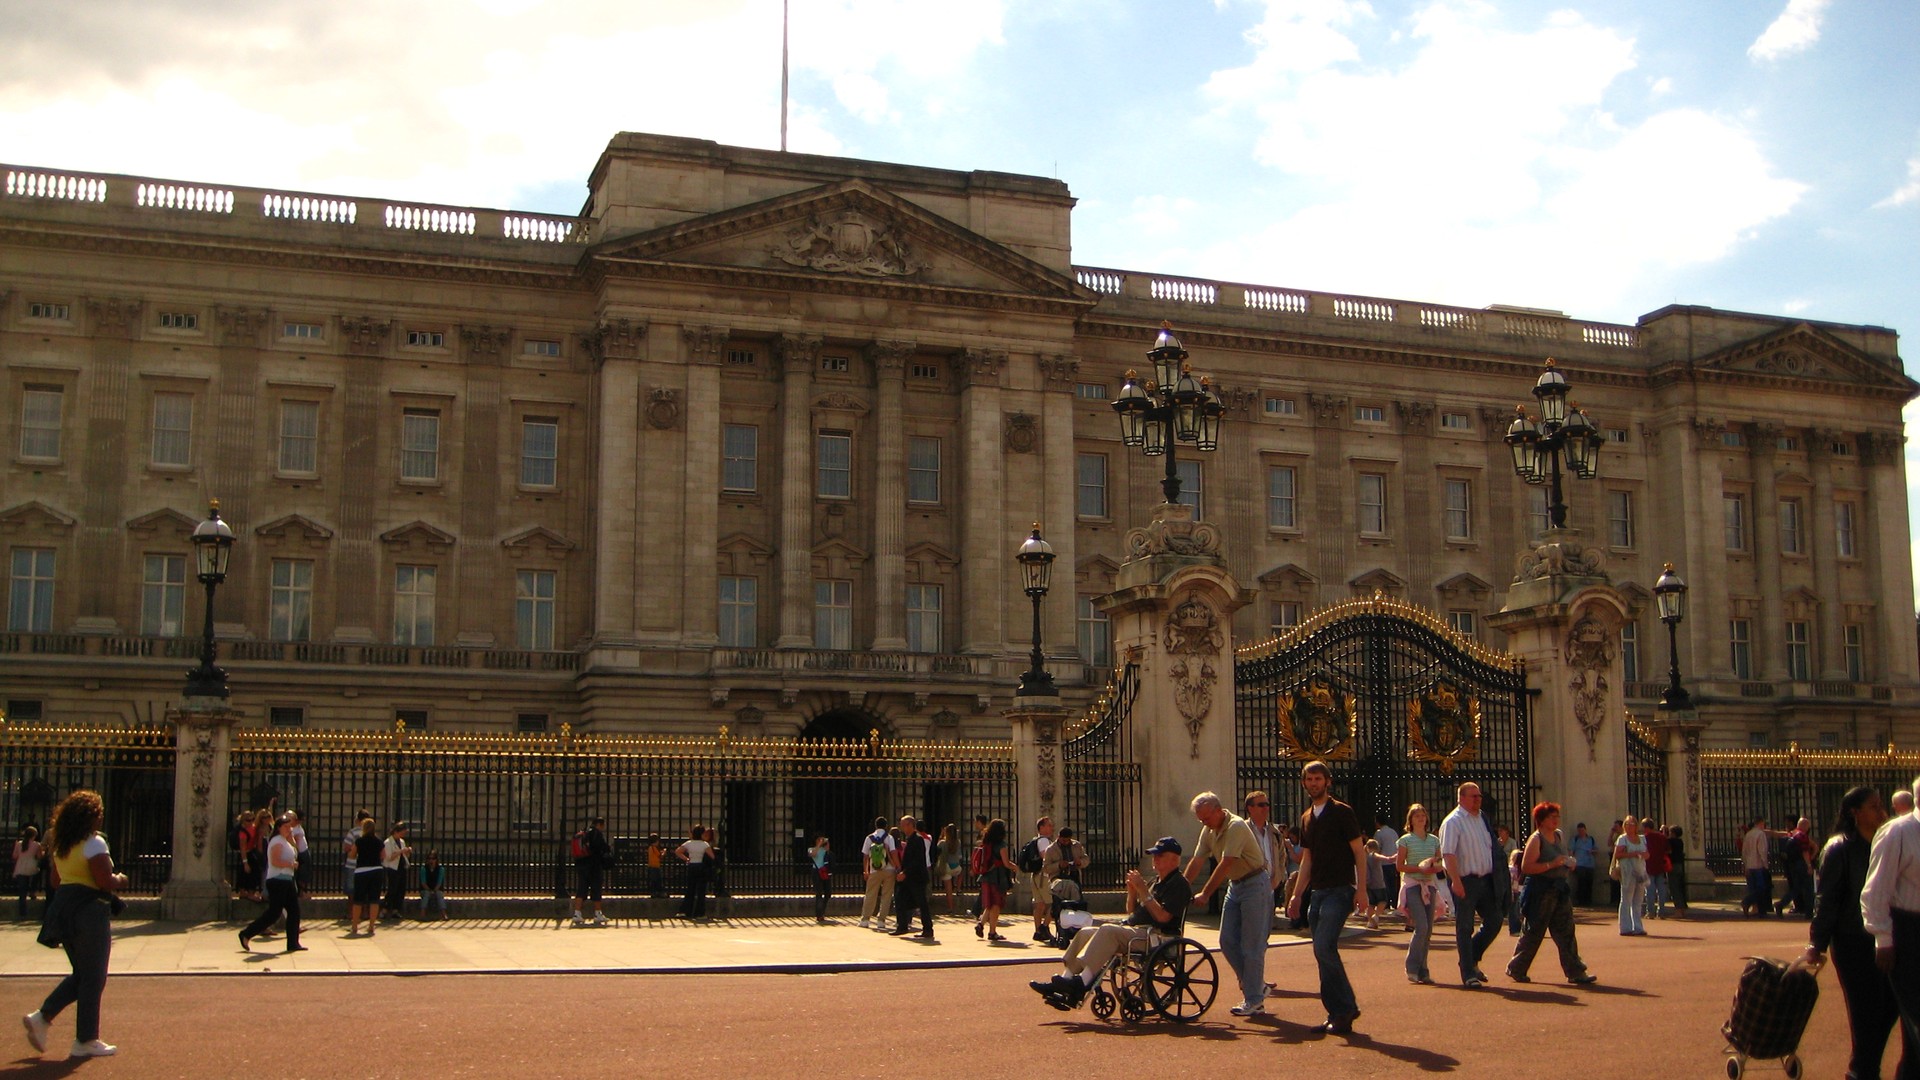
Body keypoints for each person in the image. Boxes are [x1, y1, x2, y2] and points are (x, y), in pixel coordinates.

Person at [1803, 785, 1913, 1080]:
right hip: (1853, 942)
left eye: (1881, 806)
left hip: (1885, 940)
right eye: (1874, 807)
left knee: (1892, 1009)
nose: (1882, 812)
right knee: (1865, 1014)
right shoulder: (1839, 848)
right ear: (1855, 814)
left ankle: (1864, 1069)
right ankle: (1861, 1071)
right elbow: (1826, 900)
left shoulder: (1884, 840)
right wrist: (1817, 943)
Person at [22, 789, 126, 1059]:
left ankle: (42, 1017)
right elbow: (105, 882)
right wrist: (120, 879)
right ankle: (86, 1039)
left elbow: (55, 882)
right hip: (90, 911)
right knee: (94, 977)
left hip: (64, 908)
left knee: (82, 974)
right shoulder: (95, 844)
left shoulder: (62, 845)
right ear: (92, 817)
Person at [1029, 837, 1191, 1009]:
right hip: (1137, 930)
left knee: (1108, 930)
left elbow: (1163, 917)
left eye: (1160, 855)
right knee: (1086, 932)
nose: (1155, 859)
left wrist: (1143, 891)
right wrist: (1133, 892)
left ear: (1174, 859)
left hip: (1157, 936)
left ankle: (1082, 982)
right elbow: (1132, 911)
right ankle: (1066, 979)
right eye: (1154, 855)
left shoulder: (1179, 884)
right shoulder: (1156, 882)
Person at [1284, 761, 1367, 1034]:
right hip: (1317, 893)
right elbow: (1307, 859)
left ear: (1328, 781)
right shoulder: (1307, 817)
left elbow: (1358, 852)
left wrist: (1362, 889)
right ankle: (1336, 1013)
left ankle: (1345, 1007)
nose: (1314, 783)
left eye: (1318, 778)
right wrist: (1297, 896)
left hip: (1340, 889)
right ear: (1304, 783)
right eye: (1309, 779)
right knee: (1322, 952)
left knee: (1323, 947)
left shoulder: (1342, 812)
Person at [1185, 791, 1271, 1017]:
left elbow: (1225, 863)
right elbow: (1197, 860)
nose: (1203, 823)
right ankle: (1257, 986)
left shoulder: (1236, 826)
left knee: (1251, 946)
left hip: (1255, 884)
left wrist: (1205, 893)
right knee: (1226, 940)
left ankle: (1254, 1001)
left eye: (1206, 818)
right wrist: (1181, 887)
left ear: (1218, 810)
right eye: (1200, 819)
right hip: (1236, 886)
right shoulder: (1209, 830)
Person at [1862, 777, 1920, 1075]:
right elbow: (1877, 890)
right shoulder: (1898, 831)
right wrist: (1883, 939)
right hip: (1907, 931)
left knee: (1914, 1042)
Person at [1505, 801, 1595, 985]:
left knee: (1566, 930)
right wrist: (1551, 864)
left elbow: (1562, 858)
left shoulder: (1559, 836)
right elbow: (1526, 867)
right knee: (1534, 931)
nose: (1556, 820)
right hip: (1540, 890)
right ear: (1542, 820)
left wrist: (1569, 863)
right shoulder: (1536, 839)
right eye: (1551, 817)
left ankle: (1576, 971)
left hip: (1559, 888)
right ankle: (1517, 967)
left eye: (1557, 816)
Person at [1439, 781, 1502, 988]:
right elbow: (1448, 853)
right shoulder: (1453, 822)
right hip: (1465, 879)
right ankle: (1468, 973)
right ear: (1462, 798)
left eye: (1479, 796)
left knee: (1495, 921)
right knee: (1464, 927)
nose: (1478, 800)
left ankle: (1471, 957)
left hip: (1485, 880)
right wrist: (1455, 880)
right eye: (1473, 796)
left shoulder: (1482, 818)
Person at [239, 812, 307, 954]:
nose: (289, 829)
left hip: (287, 880)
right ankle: (246, 933)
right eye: (286, 826)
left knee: (294, 911)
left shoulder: (284, 840)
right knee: (274, 913)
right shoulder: (276, 841)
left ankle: (293, 942)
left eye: (290, 826)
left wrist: (290, 838)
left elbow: (296, 850)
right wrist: (290, 864)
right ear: (279, 828)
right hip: (277, 880)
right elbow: (275, 861)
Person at [1395, 803, 1442, 984]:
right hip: (1413, 885)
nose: (1420, 818)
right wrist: (1420, 868)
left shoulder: (1434, 840)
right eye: (1416, 816)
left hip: (1429, 886)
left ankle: (1423, 969)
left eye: (1423, 815)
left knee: (1428, 929)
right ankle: (1412, 967)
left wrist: (1433, 867)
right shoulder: (1405, 840)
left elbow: (1438, 864)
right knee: (1421, 926)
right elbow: (1400, 865)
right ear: (1411, 820)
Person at [890, 815, 935, 940]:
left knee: (922, 903)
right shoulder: (910, 839)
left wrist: (905, 872)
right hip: (909, 878)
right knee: (900, 899)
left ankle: (927, 929)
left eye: (904, 825)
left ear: (910, 825)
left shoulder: (918, 839)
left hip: (916, 878)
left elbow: (917, 861)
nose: (902, 827)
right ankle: (902, 926)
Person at [975, 818, 1014, 941]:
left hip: (986, 876)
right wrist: (1016, 868)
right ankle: (992, 932)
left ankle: (981, 924)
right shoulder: (1001, 845)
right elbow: (1006, 863)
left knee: (989, 904)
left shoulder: (986, 842)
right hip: (998, 877)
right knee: (996, 905)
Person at [570, 816, 611, 927]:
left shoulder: (585, 833)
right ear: (600, 825)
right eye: (603, 825)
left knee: (581, 889)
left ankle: (577, 913)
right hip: (593, 865)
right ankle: (597, 913)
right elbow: (600, 848)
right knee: (596, 889)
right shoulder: (596, 834)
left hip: (581, 865)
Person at [857, 817, 896, 930]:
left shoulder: (869, 838)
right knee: (886, 895)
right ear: (886, 826)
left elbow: (865, 856)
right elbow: (893, 852)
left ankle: (865, 919)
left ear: (875, 825)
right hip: (889, 869)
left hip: (874, 870)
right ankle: (881, 920)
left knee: (870, 894)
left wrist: (866, 870)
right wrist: (897, 866)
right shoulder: (889, 838)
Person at [349, 817, 385, 936]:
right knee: (374, 899)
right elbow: (383, 856)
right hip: (376, 870)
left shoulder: (359, 841)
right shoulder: (379, 841)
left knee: (358, 899)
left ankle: (354, 926)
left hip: (361, 871)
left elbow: (352, 855)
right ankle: (371, 926)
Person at [1023, 816, 1057, 943]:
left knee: (1039, 904)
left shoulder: (1036, 840)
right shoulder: (1044, 841)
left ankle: (1038, 931)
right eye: (1049, 825)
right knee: (1054, 903)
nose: (1052, 827)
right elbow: (1045, 857)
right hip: (1044, 876)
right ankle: (1044, 927)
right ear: (1041, 827)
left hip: (1036, 875)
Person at [1614, 815, 1649, 936]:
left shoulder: (1642, 838)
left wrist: (1644, 855)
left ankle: (1638, 927)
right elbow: (1617, 855)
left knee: (1638, 900)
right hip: (1627, 871)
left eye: (1632, 824)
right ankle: (1625, 927)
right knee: (1626, 899)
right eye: (1627, 824)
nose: (1629, 827)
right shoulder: (1622, 839)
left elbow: (1647, 854)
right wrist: (1633, 854)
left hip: (1640, 870)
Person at [1776, 817, 1816, 918]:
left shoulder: (1792, 834)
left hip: (1793, 865)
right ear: (1806, 827)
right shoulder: (1802, 836)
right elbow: (1805, 852)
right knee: (1808, 889)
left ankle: (1781, 904)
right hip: (1802, 864)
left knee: (1796, 888)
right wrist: (1809, 865)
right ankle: (1809, 912)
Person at [1742, 817, 1780, 916]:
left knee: (1753, 888)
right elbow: (1762, 851)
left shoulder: (1748, 834)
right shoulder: (1760, 834)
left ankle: (1757, 908)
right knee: (1761, 889)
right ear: (1761, 823)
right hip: (1758, 865)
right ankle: (1749, 902)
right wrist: (1765, 865)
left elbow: (1744, 852)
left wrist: (1745, 865)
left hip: (1749, 865)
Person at [675, 824, 713, 919]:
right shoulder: (705, 844)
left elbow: (678, 851)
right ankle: (699, 913)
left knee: (690, 890)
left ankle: (685, 911)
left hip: (692, 866)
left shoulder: (689, 843)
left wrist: (686, 859)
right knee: (701, 891)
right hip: (701, 866)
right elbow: (712, 856)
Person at [381, 820, 413, 920]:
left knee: (400, 889)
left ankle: (396, 909)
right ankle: (385, 909)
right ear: (396, 831)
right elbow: (389, 857)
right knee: (392, 889)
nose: (402, 835)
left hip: (401, 867)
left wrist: (407, 852)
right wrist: (400, 851)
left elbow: (404, 855)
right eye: (401, 832)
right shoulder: (388, 842)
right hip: (392, 868)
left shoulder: (402, 841)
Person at [1372, 813, 1399, 927]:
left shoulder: (1379, 833)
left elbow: (1376, 848)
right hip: (1394, 861)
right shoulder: (1393, 832)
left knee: (1385, 884)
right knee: (1394, 883)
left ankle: (1386, 904)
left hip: (1383, 862)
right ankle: (1395, 903)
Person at [1642, 819, 1671, 919]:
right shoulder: (1661, 837)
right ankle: (1661, 911)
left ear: (1646, 828)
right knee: (1661, 890)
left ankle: (1650, 911)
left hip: (1648, 866)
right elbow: (1668, 850)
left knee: (1650, 890)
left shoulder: (1644, 838)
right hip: (1660, 866)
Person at [12, 825, 42, 920]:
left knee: (22, 890)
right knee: (36, 876)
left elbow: (14, 856)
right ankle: (33, 891)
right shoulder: (37, 845)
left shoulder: (19, 844)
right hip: (32, 866)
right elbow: (39, 856)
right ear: (34, 835)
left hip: (21, 867)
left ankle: (22, 912)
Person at [342, 807, 370, 899]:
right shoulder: (370, 833)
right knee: (365, 891)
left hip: (352, 864)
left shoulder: (353, 832)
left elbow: (346, 848)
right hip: (366, 864)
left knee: (351, 892)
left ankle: (351, 912)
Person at [934, 823, 962, 914]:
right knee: (961, 872)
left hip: (946, 867)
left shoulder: (943, 842)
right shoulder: (958, 842)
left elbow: (936, 849)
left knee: (948, 890)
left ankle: (950, 907)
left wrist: (941, 835)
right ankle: (958, 889)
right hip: (955, 866)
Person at [1568, 822, 1598, 906]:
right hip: (1579, 863)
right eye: (1579, 831)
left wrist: (1592, 851)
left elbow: (1596, 850)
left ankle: (1588, 900)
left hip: (1589, 864)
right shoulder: (1575, 839)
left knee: (1589, 882)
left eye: (1582, 830)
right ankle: (1581, 900)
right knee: (1581, 882)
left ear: (1585, 830)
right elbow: (1571, 851)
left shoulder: (1591, 839)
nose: (1581, 832)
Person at [808, 835, 832, 923]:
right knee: (819, 893)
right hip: (817, 872)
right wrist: (818, 845)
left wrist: (826, 842)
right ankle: (819, 914)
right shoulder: (811, 849)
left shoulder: (825, 849)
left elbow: (828, 850)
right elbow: (812, 854)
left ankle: (822, 911)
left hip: (825, 872)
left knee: (828, 893)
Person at [418, 849, 447, 920]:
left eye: (433, 859)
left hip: (437, 889)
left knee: (439, 894)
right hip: (425, 889)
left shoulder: (440, 869)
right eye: (429, 859)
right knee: (426, 894)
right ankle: (422, 914)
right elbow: (423, 883)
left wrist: (434, 890)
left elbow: (439, 882)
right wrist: (429, 890)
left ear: (436, 860)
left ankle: (443, 914)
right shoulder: (424, 869)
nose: (431, 861)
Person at [1667, 825, 1690, 913]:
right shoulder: (1680, 841)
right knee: (1679, 887)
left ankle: (1678, 909)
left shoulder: (1671, 841)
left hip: (1673, 866)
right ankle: (1682, 907)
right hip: (1679, 865)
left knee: (1674, 888)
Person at [645, 833, 666, 899]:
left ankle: (654, 892)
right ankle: (659, 892)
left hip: (651, 866)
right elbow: (660, 856)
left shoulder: (650, 848)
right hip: (656, 866)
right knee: (658, 880)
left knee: (653, 880)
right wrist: (664, 852)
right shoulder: (654, 848)